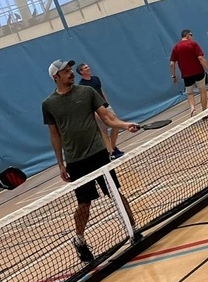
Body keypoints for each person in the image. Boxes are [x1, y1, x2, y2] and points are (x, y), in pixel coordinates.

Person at [42, 59, 142, 263]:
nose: (71, 73)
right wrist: (60, 163)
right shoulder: (48, 104)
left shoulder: (87, 92)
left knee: (115, 193)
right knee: (84, 204)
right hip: (75, 160)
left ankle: (133, 228)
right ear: (56, 77)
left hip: (98, 153)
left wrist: (124, 125)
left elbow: (107, 118)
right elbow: (54, 135)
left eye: (71, 70)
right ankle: (79, 240)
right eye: (66, 71)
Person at [77, 62, 120, 159]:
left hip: (105, 106)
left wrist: (107, 104)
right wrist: (94, 112)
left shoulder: (96, 79)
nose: (88, 68)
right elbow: (86, 102)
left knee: (116, 125)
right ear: (81, 72)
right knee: (103, 130)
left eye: (88, 66)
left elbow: (102, 92)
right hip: (96, 110)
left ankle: (113, 147)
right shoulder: (82, 86)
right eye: (85, 67)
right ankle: (111, 152)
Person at [170, 30, 208, 118]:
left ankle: (193, 109)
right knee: (202, 90)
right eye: (191, 35)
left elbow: (172, 63)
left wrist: (173, 76)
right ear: (188, 35)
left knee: (190, 93)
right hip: (198, 72)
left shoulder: (176, 47)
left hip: (186, 76)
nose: (192, 37)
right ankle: (205, 111)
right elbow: (201, 58)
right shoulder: (193, 44)